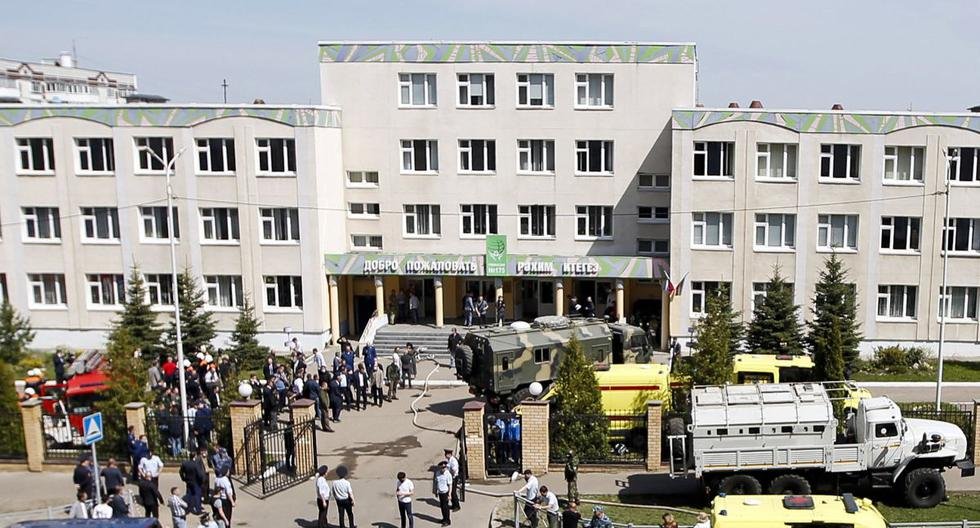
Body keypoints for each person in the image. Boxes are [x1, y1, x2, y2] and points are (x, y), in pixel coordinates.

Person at [433, 460, 452, 526]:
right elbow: (436, 483)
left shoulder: (448, 474)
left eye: (444, 467)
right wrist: (435, 491)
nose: (443, 469)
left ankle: (447, 521)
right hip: (440, 493)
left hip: (445, 493)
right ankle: (444, 519)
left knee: (446, 508)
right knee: (442, 507)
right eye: (442, 468)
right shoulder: (437, 473)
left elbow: (450, 485)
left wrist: (449, 494)